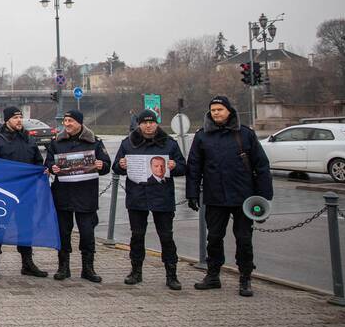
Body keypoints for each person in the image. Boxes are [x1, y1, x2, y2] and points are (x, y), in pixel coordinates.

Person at [186, 96, 273, 297]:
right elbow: (194, 167)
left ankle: (245, 278)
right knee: (214, 238)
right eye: (213, 109)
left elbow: (261, 166)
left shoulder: (245, 134)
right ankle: (213, 275)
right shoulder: (202, 136)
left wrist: (264, 197)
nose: (216, 113)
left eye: (220, 109)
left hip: (243, 197)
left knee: (244, 239)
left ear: (229, 111)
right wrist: (192, 193)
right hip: (215, 197)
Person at [113, 109, 186, 290]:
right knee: (137, 235)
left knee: (166, 236)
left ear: (156, 123)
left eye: (151, 122)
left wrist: (174, 165)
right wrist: (121, 166)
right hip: (137, 196)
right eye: (144, 122)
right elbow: (116, 167)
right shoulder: (128, 143)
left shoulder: (169, 144)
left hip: (162, 197)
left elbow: (183, 167)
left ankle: (171, 274)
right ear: (139, 124)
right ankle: (136, 271)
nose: (148, 125)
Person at [44, 109, 111, 282]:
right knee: (63, 233)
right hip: (63, 195)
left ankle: (88, 268)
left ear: (80, 123)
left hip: (86, 195)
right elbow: (48, 163)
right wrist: (52, 168)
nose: (67, 124)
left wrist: (101, 164)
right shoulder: (56, 142)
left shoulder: (94, 142)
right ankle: (63, 267)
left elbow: (107, 166)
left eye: (70, 121)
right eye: (65, 121)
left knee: (87, 233)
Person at [0, 107, 48, 279]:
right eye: (15, 117)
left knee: (25, 228)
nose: (19, 120)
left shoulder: (28, 139)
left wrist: (42, 172)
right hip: (3, 195)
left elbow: (37, 163)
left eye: (20, 117)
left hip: (26, 194)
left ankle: (27, 263)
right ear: (7, 120)